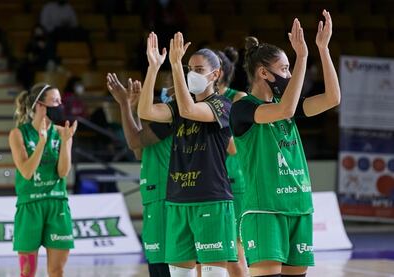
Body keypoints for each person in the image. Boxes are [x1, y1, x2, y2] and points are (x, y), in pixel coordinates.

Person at [229, 11, 340, 277]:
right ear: (264, 73)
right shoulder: (243, 108)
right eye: (284, 69)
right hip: (264, 209)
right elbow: (286, 110)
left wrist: (322, 50)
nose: (290, 75)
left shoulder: (286, 106)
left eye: (290, 68)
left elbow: (332, 98)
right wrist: (302, 57)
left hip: (299, 206)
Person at [138, 32, 237, 277]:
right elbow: (146, 110)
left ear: (215, 75)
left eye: (199, 69)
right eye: (188, 68)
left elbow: (189, 109)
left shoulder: (222, 106)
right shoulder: (177, 106)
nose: (192, 73)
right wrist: (153, 68)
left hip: (211, 199)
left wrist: (175, 66)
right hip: (178, 200)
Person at [106, 73, 172, 277]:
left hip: (166, 197)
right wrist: (133, 110)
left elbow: (135, 141)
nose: (166, 92)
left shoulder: (172, 115)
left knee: (166, 267)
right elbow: (140, 150)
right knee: (157, 266)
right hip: (155, 197)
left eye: (170, 88)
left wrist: (125, 105)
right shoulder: (160, 120)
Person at [9, 83, 77, 277]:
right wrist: (41, 143)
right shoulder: (18, 134)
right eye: (55, 101)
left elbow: (63, 172)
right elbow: (27, 172)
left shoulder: (63, 132)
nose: (60, 106)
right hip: (29, 207)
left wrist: (65, 143)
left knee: (57, 271)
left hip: (57, 205)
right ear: (40, 105)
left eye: (60, 101)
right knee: (27, 271)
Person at [215, 47, 248, 277]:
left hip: (233, 178)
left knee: (235, 250)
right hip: (208, 181)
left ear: (217, 72)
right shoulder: (196, 100)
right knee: (208, 251)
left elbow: (234, 146)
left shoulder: (237, 97)